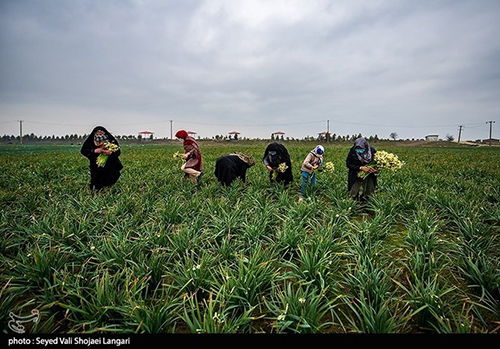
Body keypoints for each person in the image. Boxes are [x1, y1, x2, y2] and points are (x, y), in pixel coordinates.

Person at [80, 126, 123, 191]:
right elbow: (83, 151)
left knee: (110, 177)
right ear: (94, 134)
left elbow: (118, 152)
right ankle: (95, 191)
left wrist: (110, 152)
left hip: (110, 164)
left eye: (101, 134)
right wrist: (94, 151)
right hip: (96, 164)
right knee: (96, 178)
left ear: (104, 134)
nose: (99, 136)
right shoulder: (90, 141)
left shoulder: (111, 141)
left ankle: (107, 189)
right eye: (97, 134)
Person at [346, 137, 378, 202]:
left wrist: (375, 170)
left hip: (369, 174)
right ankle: (354, 203)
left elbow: (378, 163)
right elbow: (348, 164)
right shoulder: (352, 151)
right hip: (356, 173)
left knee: (369, 190)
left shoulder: (372, 151)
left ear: (365, 146)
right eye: (357, 149)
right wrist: (360, 168)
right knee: (354, 191)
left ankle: (366, 204)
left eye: (361, 148)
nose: (359, 150)